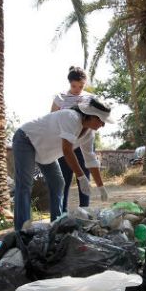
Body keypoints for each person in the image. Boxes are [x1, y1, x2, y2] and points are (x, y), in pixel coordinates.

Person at [12, 97, 113, 231]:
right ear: (92, 116)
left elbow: (90, 159)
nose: (103, 125)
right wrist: (81, 177)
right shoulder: (71, 117)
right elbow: (67, 150)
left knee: (58, 183)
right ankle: (22, 229)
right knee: (25, 185)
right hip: (26, 140)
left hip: (45, 152)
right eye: (102, 120)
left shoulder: (89, 133)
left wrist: (101, 187)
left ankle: (56, 224)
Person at [51, 66, 95, 211]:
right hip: (64, 145)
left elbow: (95, 120)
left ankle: (85, 211)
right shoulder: (60, 98)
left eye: (81, 86)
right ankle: (61, 215)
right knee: (64, 179)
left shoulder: (90, 98)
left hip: (83, 145)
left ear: (85, 84)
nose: (77, 89)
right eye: (74, 86)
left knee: (84, 178)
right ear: (69, 83)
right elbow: (52, 119)